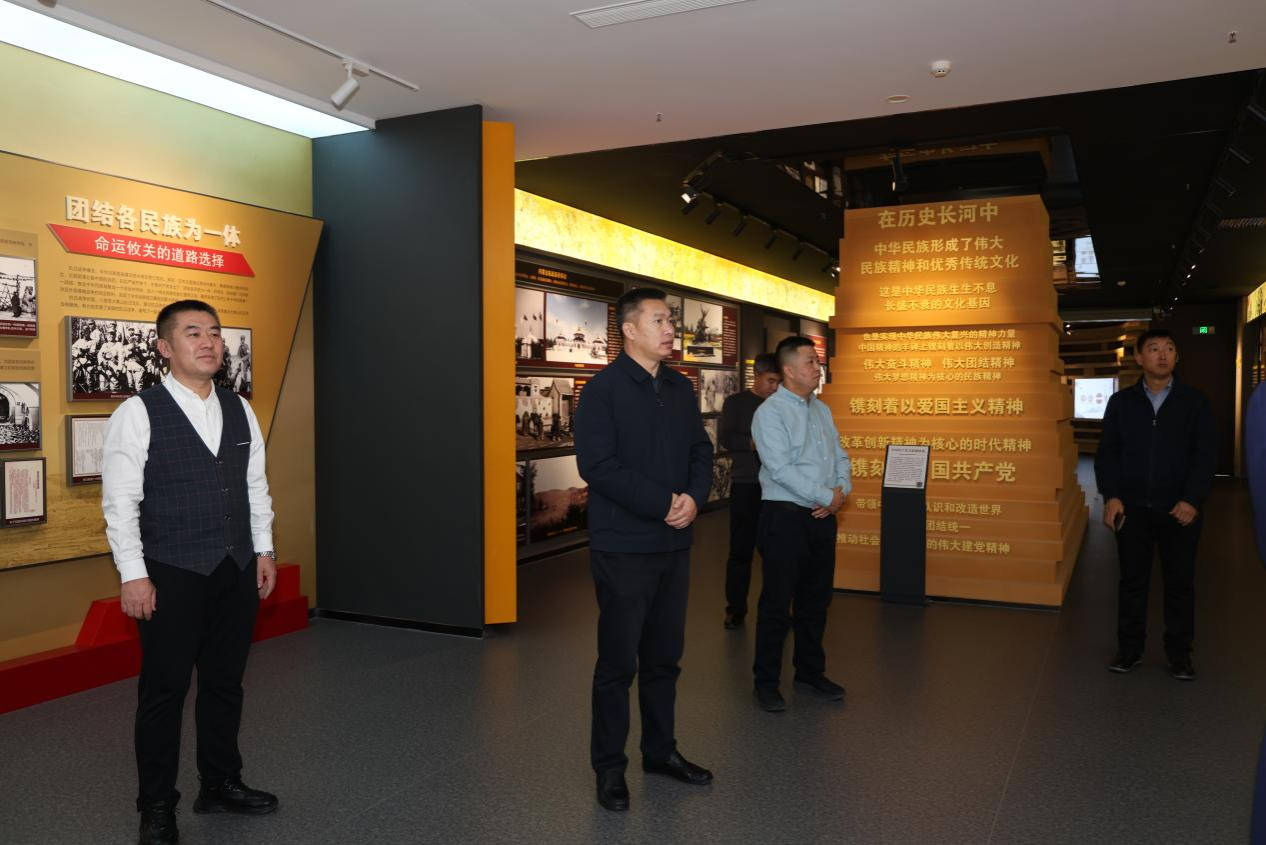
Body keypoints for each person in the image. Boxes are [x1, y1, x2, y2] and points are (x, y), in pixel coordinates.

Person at [102, 299, 280, 845]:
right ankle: (156, 805)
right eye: (193, 332)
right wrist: (133, 574)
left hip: (236, 566)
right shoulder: (138, 412)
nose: (208, 342)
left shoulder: (240, 408)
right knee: (164, 692)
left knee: (225, 684)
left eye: (215, 333)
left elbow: (254, 486)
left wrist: (264, 549)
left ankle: (220, 782)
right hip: (171, 572)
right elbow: (120, 502)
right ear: (165, 347)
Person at [574, 287, 715, 812]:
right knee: (617, 663)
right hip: (624, 547)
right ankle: (609, 767)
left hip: (674, 543)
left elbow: (701, 451)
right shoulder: (602, 391)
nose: (670, 329)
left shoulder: (679, 388)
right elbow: (598, 466)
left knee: (664, 659)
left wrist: (694, 498)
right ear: (629, 330)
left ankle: (660, 752)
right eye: (659, 320)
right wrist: (663, 503)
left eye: (670, 320)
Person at [1094, 327, 1215, 680]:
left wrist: (1192, 499)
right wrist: (1111, 496)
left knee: (1180, 584)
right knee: (1132, 583)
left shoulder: (1195, 402)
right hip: (1132, 510)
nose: (1163, 354)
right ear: (1139, 357)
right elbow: (1107, 454)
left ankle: (1180, 655)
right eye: (1154, 348)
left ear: (1176, 356)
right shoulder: (1121, 403)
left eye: (1169, 348)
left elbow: (1206, 456)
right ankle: (1129, 650)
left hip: (1180, 511)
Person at [750, 336, 851, 712]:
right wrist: (825, 496)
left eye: (817, 361)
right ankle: (766, 682)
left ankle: (810, 673)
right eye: (810, 362)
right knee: (777, 605)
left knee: (816, 601)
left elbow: (840, 455)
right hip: (785, 519)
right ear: (789, 370)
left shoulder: (821, 410)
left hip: (821, 517)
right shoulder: (770, 413)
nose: (817, 368)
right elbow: (779, 469)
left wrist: (840, 491)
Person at [718, 352, 782, 629]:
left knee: (777, 553)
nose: (774, 387)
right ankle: (736, 610)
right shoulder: (736, 403)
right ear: (756, 376)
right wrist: (756, 443)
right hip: (747, 484)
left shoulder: (783, 404)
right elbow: (726, 437)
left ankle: (778, 610)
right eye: (770, 381)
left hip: (779, 487)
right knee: (741, 552)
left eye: (778, 382)